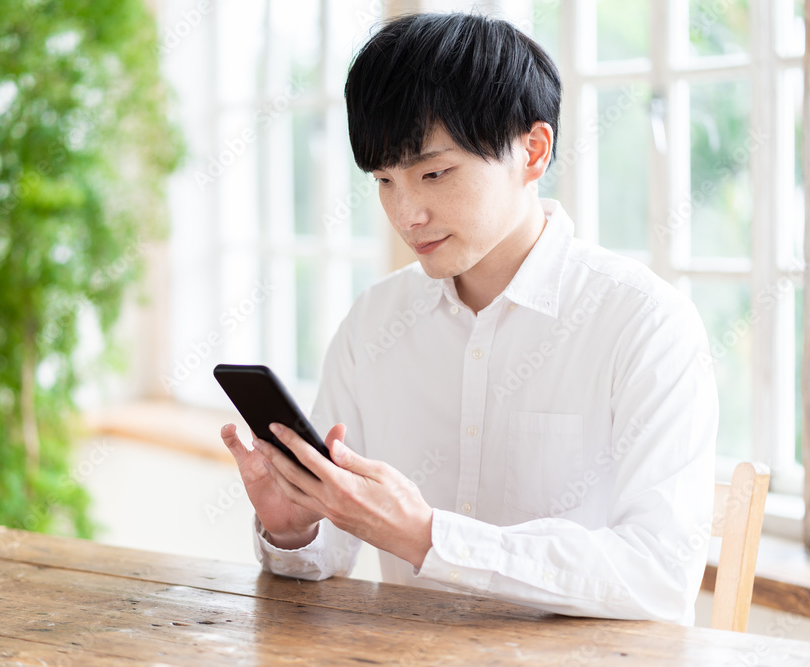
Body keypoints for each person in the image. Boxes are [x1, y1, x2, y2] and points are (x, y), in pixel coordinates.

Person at [220, 12, 716, 624]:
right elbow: (326, 558)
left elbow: (659, 576)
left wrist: (429, 537)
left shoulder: (644, 323)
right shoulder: (375, 321)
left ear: (533, 151)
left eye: (434, 173)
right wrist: (296, 530)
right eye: (384, 180)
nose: (407, 215)